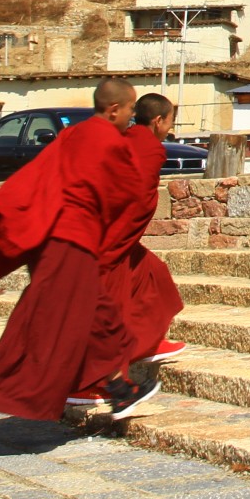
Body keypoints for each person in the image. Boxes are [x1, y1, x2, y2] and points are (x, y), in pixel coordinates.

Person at [0, 79, 149, 462]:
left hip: (57, 241)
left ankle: (119, 389)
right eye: (131, 110)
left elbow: (40, 180)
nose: (133, 117)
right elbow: (126, 193)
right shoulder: (105, 140)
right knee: (33, 330)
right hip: (71, 242)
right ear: (114, 109)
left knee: (98, 314)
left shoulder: (74, 135)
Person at [73, 92, 186, 405]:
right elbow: (130, 199)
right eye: (170, 123)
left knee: (154, 274)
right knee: (111, 306)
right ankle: (87, 383)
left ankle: (148, 343)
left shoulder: (132, 140)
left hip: (118, 238)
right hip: (108, 242)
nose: (169, 130)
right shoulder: (143, 147)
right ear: (159, 120)